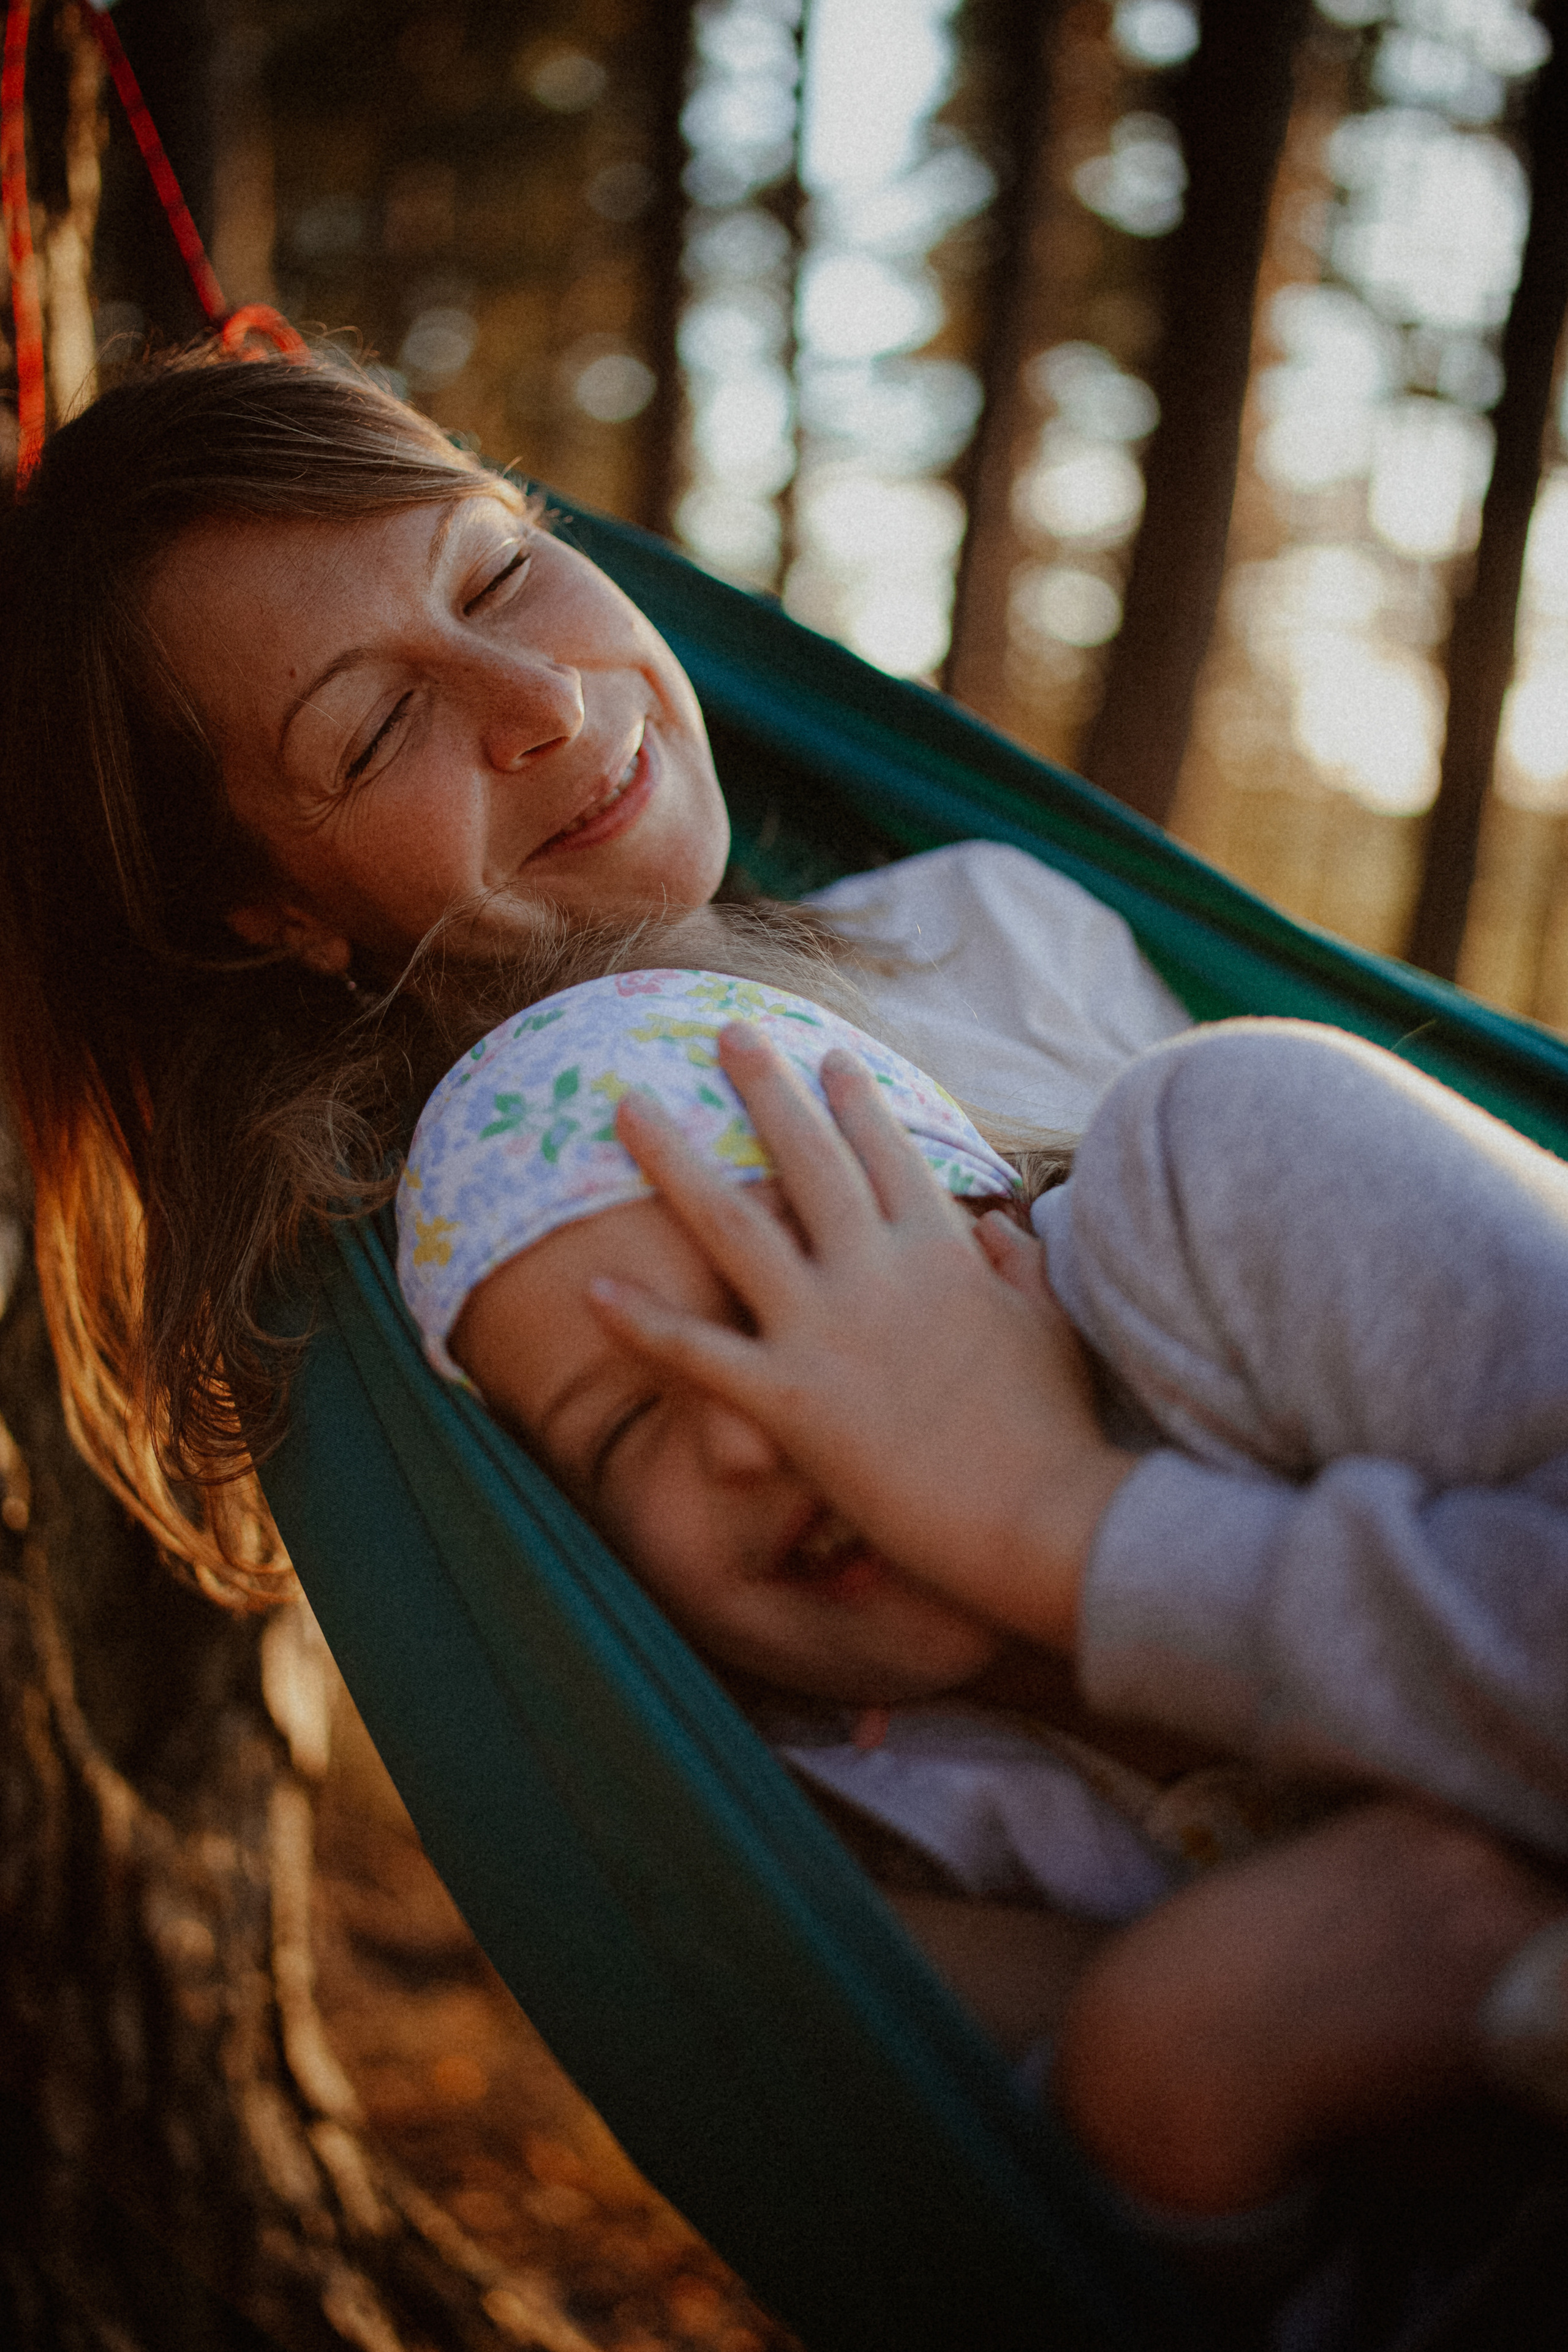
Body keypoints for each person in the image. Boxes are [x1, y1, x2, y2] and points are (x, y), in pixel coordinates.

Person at [394, 962, 1567, 2241]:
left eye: (793, 1266)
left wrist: (1062, 1522)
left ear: (983, 1214)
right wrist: (1164, 2093)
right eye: (622, 1426)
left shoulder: (1223, 1176)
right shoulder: (811, 1861)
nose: (746, 1424)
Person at [0, 338, 1186, 1602]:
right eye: (379, 729)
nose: (543, 701)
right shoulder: (511, 1272)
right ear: (277, 915)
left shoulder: (987, 915)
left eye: (499, 573)